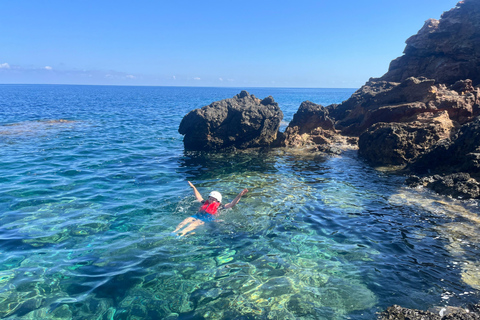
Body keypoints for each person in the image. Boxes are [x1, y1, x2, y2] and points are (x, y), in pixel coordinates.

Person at [173, 181, 248, 236]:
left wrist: (239, 195)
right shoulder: (205, 203)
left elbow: (232, 204)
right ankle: (174, 231)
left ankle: (180, 235)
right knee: (187, 220)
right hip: (197, 215)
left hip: (206, 219)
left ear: (218, 200)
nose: (210, 200)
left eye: (213, 199)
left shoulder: (220, 206)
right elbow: (198, 196)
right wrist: (194, 188)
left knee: (194, 224)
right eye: (210, 198)